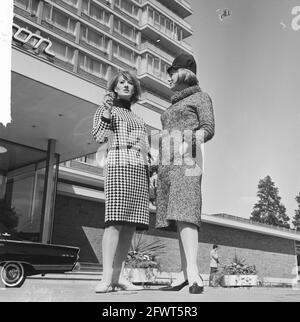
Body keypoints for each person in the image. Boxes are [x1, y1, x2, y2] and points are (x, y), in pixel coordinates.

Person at [152, 53, 215, 294]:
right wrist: (158, 168)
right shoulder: (171, 106)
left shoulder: (201, 97)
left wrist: (188, 142)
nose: (168, 77)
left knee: (186, 212)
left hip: (188, 160)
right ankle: (183, 273)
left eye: (171, 72)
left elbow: (208, 128)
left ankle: (192, 272)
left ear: (185, 73)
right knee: (177, 216)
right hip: (167, 165)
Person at [91, 70, 150, 293]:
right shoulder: (106, 110)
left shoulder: (139, 119)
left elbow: (145, 148)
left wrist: (149, 172)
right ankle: (106, 277)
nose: (126, 85)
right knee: (114, 220)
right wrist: (106, 112)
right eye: (121, 83)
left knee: (130, 225)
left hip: (138, 170)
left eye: (129, 83)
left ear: (134, 89)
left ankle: (119, 276)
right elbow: (98, 136)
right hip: (118, 165)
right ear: (114, 88)